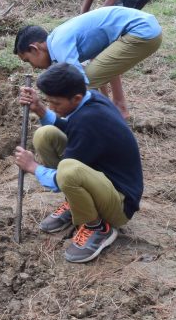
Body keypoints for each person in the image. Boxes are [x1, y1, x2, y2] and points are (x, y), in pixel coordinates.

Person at [13, 62, 143, 263]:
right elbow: (70, 128)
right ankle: (77, 204)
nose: (53, 108)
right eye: (49, 102)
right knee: (45, 135)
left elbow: (61, 176)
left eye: (56, 103)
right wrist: (40, 109)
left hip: (120, 204)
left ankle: (98, 227)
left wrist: (33, 167)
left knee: (68, 171)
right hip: (103, 180)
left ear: (76, 98)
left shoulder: (89, 120)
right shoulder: (90, 100)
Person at [13, 6, 162, 119]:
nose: (33, 67)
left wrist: (64, 117)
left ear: (34, 48)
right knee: (91, 73)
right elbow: (101, 61)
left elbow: (80, 84)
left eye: (28, 60)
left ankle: (101, 120)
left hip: (141, 32)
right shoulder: (58, 38)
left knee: (81, 84)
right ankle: (116, 109)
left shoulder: (59, 45)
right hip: (146, 27)